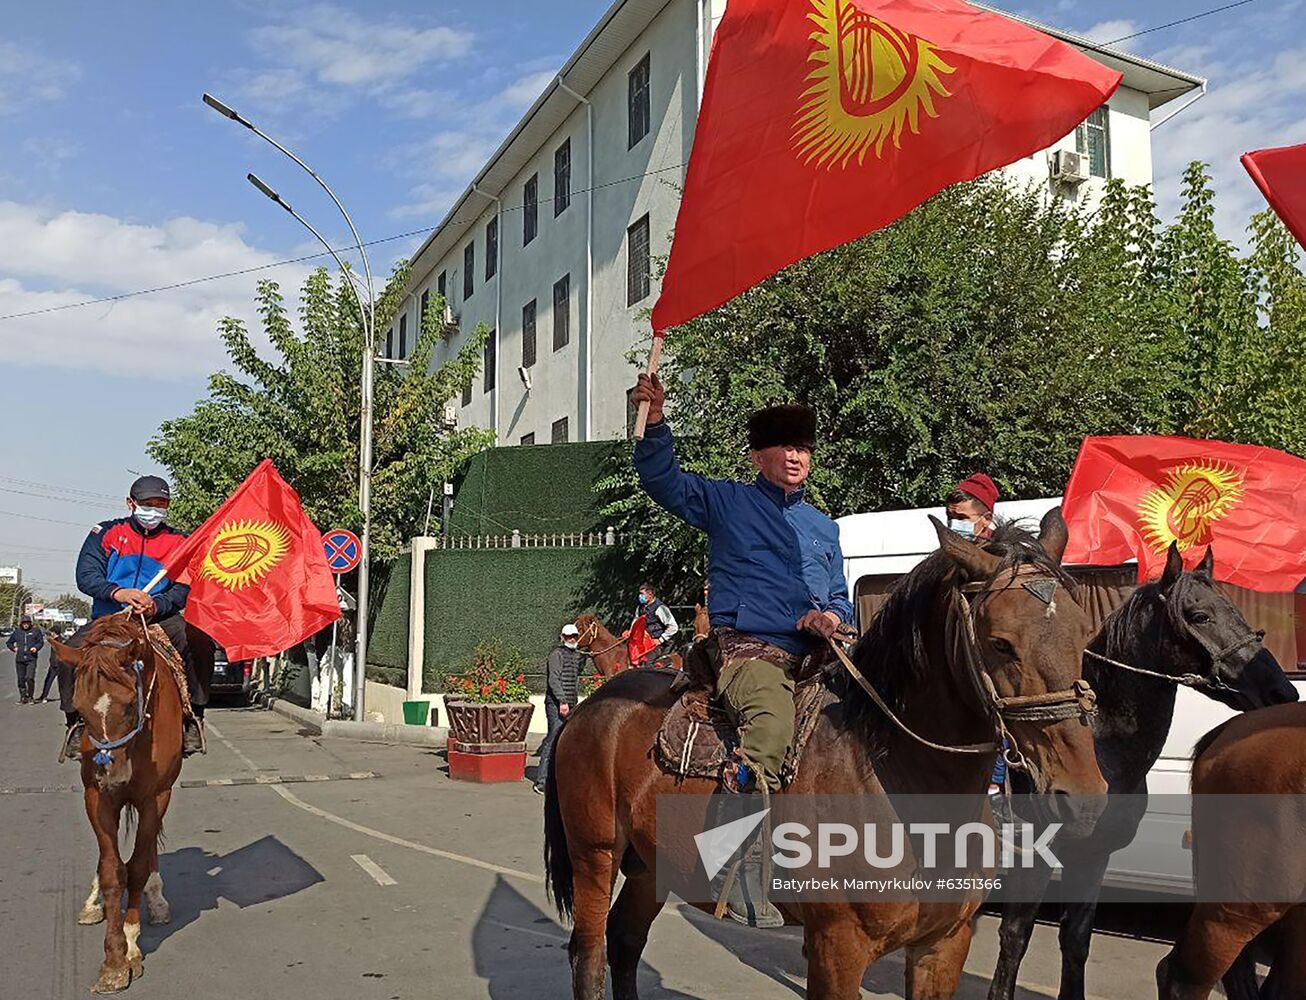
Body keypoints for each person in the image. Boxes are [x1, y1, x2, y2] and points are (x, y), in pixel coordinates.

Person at [630, 373, 852, 926]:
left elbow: (842, 596)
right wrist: (655, 422)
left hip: (821, 655)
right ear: (758, 455)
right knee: (772, 727)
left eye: (804, 447)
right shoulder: (725, 501)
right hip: (753, 651)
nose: (797, 456)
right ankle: (741, 863)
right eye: (785, 446)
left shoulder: (825, 527)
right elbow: (664, 483)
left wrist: (833, 616)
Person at [55, 474, 214, 759]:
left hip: (158, 616)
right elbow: (86, 576)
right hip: (110, 617)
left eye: (161, 503)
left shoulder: (180, 541)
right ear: (131, 503)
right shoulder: (105, 533)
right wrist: (118, 593)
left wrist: (157, 604)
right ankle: (75, 723)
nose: (154, 510)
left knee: (200, 642)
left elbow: (183, 587)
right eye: (147, 503)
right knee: (67, 656)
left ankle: (194, 717)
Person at [535, 623, 583, 794]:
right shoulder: (556, 654)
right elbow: (553, 680)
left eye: (574, 636)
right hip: (556, 705)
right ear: (562, 637)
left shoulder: (574, 655)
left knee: (567, 741)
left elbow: (572, 679)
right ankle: (541, 781)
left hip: (570, 704)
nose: (572, 639)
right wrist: (562, 701)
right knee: (553, 740)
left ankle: (560, 779)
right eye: (569, 636)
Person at [945, 472, 999, 541]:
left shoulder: (1002, 549)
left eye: (961, 518)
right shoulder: (947, 547)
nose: (953, 524)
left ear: (986, 519)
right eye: (950, 517)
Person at [7, 614, 44, 704]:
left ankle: (31, 696)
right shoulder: (17, 632)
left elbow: (40, 642)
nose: (25, 624)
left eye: (27, 623)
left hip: (31, 658)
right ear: (21, 624)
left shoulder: (35, 631)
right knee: (21, 679)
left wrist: (36, 648)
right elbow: (9, 642)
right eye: (24, 623)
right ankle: (23, 697)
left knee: (29, 677)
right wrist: (13, 648)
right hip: (20, 660)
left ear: (30, 623)